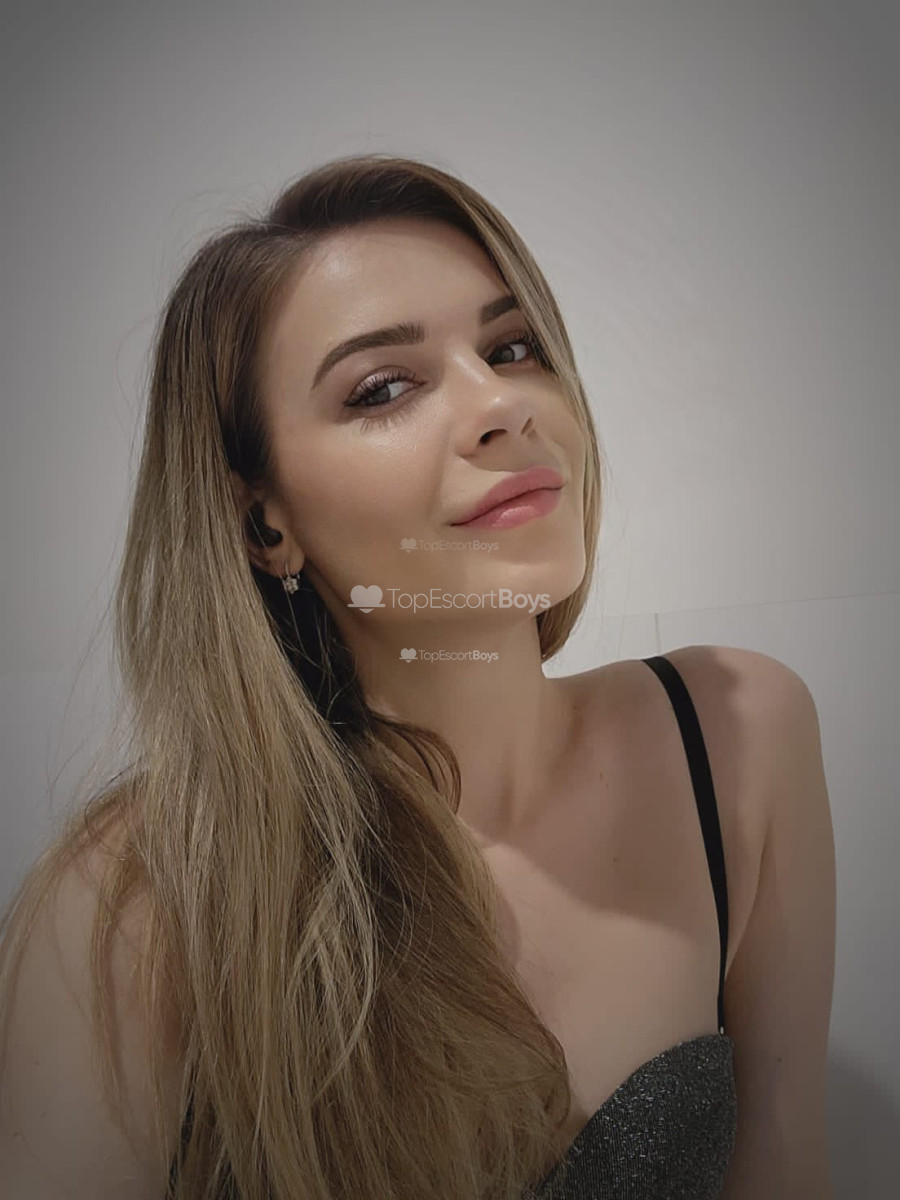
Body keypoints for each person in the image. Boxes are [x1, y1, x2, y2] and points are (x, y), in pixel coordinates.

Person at [0, 153, 836, 1199]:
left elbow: (788, 1164)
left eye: (512, 347)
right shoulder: (136, 903)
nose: (503, 405)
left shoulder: (741, 734)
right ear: (264, 524)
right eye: (383, 388)